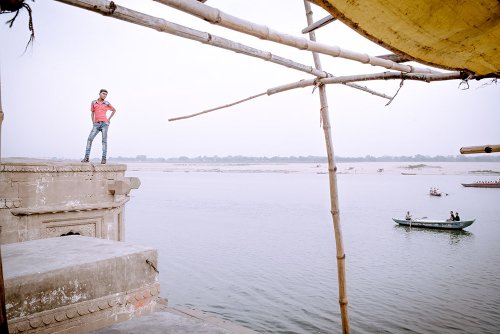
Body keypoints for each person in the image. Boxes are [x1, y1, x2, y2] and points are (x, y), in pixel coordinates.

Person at [81, 89, 116, 164]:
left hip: (104, 124)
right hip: (96, 124)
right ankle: (86, 158)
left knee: (104, 141)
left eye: (106, 94)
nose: (105, 95)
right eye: (103, 94)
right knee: (89, 139)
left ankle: (104, 159)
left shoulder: (107, 103)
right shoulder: (94, 102)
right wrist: (93, 122)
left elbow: (114, 110)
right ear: (99, 94)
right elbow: (92, 112)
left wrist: (109, 119)